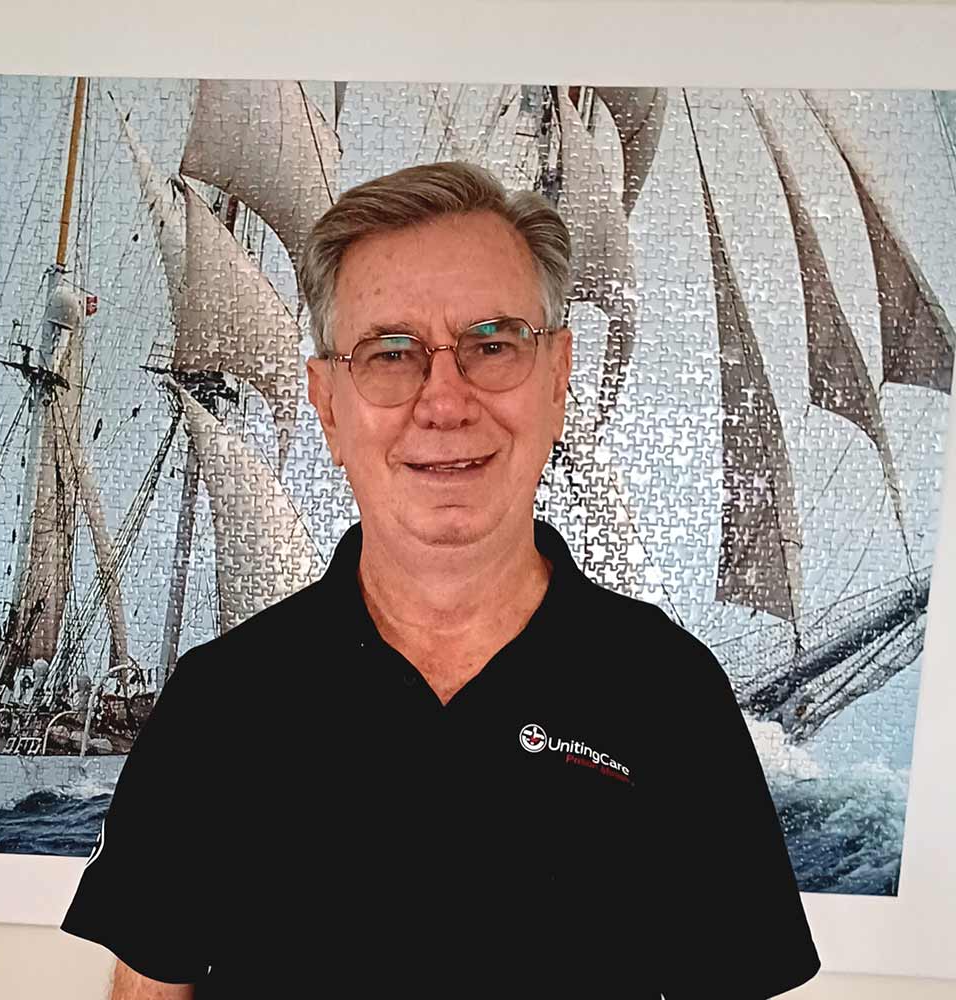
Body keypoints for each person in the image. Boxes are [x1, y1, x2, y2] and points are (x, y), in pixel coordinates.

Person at [61, 161, 821, 999]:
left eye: (493, 345)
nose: (445, 400)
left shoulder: (672, 697)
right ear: (327, 405)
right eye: (390, 353)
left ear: (559, 377)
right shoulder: (220, 702)